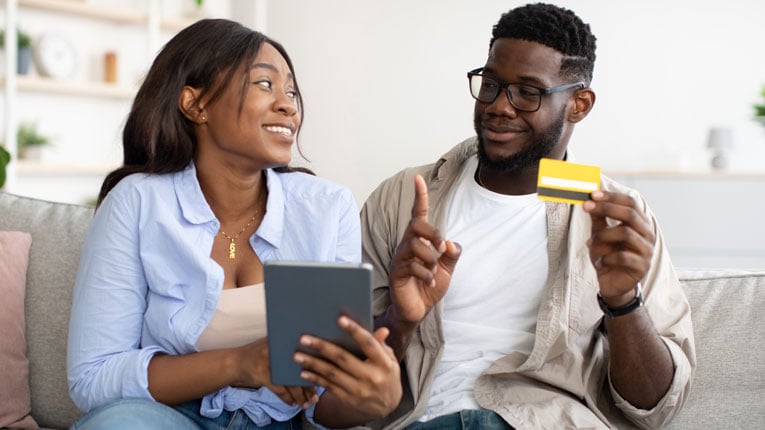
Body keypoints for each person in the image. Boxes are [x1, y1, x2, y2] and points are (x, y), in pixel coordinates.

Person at [361, 3, 695, 429]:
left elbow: (656, 408)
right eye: (491, 84)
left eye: (528, 91)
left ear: (579, 104)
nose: (500, 106)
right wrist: (401, 319)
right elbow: (337, 381)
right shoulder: (402, 197)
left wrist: (623, 301)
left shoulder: (614, 215)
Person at [67, 19, 401, 430]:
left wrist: (373, 400)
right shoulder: (137, 202)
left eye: (292, 91)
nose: (288, 106)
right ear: (195, 104)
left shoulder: (327, 209)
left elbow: (321, 401)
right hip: (167, 416)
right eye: (265, 84)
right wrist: (239, 363)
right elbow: (93, 378)